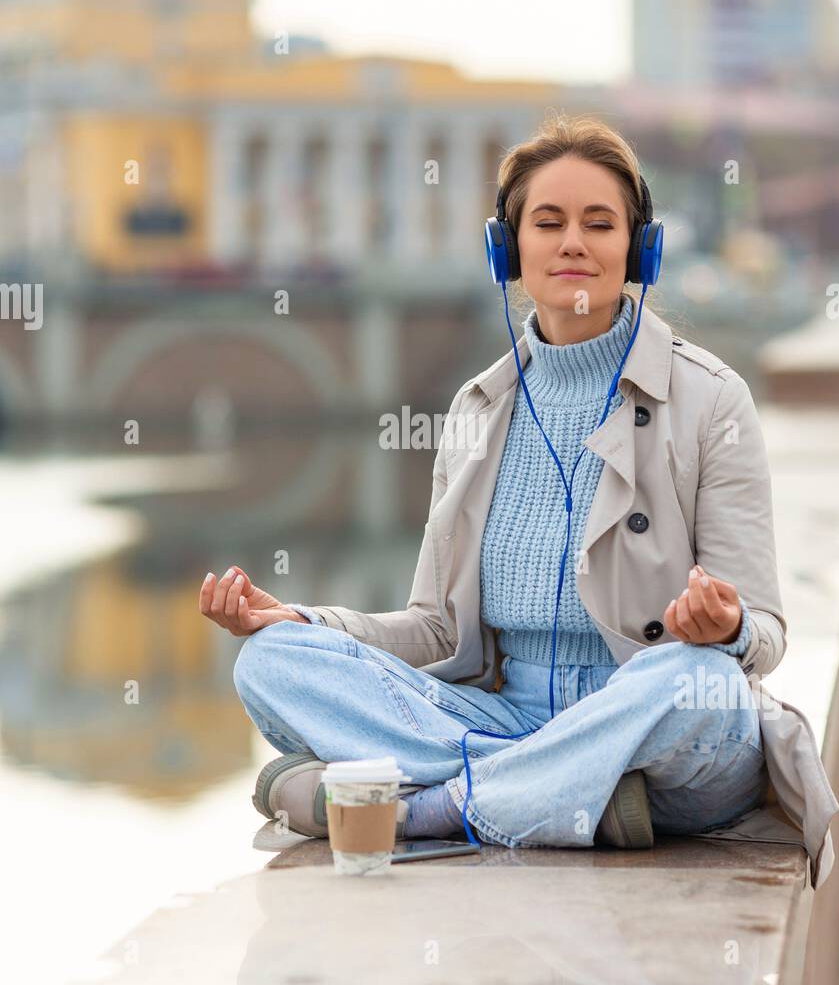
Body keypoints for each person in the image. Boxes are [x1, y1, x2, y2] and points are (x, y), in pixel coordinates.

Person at [200, 113, 780, 853]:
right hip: (500, 717)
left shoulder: (711, 399)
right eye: (549, 222)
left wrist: (727, 629)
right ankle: (572, 799)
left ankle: (429, 809)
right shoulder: (479, 407)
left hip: (648, 716)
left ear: (639, 249)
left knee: (701, 687)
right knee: (270, 663)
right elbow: (435, 630)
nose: (573, 242)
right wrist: (303, 622)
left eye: (599, 224)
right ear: (509, 249)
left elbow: (765, 636)